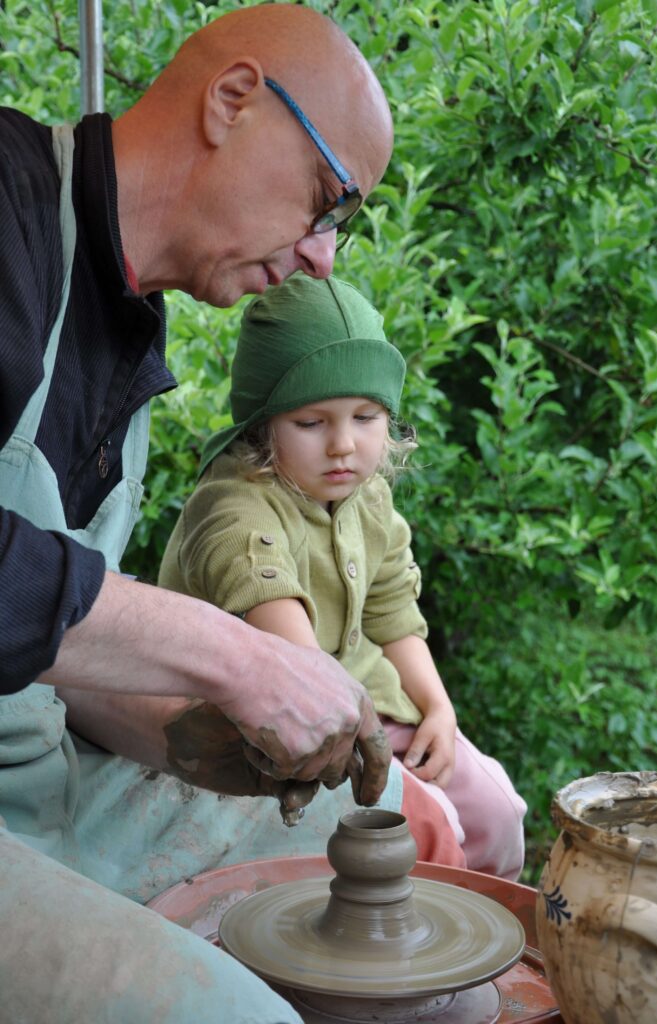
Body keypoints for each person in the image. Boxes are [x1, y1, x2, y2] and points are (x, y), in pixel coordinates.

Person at [0, 5, 463, 1023]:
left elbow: (47, 647)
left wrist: (213, 736)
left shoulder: (126, 327)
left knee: (409, 837)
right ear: (234, 99)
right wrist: (234, 656)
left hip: (45, 794)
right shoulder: (6, 206)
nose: (323, 257)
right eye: (329, 201)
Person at [159, 272, 528, 884]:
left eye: (366, 416)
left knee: (497, 813)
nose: (344, 446)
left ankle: (494, 944)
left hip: (371, 704)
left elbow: (393, 614)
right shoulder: (234, 511)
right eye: (311, 422)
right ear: (261, 424)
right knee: (429, 837)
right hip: (270, 729)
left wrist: (438, 708)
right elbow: (300, 675)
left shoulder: (369, 499)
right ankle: (433, 965)